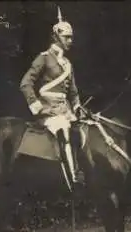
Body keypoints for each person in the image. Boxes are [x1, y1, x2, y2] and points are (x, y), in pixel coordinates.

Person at [20, 7, 84, 188]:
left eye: (71, 37)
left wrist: (78, 107)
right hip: (48, 111)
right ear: (56, 37)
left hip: (66, 111)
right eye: (66, 37)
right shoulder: (44, 58)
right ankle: (72, 178)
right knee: (63, 130)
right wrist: (37, 105)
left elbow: (73, 92)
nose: (70, 41)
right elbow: (25, 83)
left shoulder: (67, 64)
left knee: (84, 132)